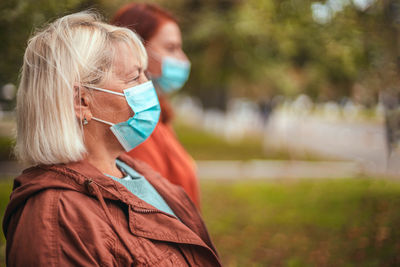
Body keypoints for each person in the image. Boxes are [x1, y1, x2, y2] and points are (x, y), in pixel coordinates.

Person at [2, 11, 221, 266]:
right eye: (134, 77)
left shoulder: (134, 171)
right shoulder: (56, 217)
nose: (147, 86)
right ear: (81, 100)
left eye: (145, 75)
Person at [111, 3, 200, 208]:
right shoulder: (134, 125)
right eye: (171, 48)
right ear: (136, 50)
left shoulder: (157, 118)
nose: (183, 59)